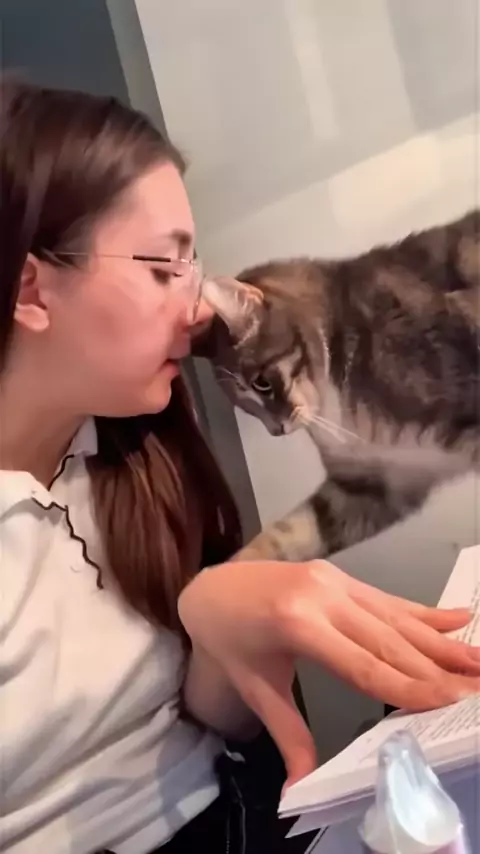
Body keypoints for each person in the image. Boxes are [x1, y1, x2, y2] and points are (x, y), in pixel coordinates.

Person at [1, 78, 480, 854]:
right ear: (32, 288)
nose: (197, 310)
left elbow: (208, 734)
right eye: (165, 267)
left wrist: (218, 624)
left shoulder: (136, 452)